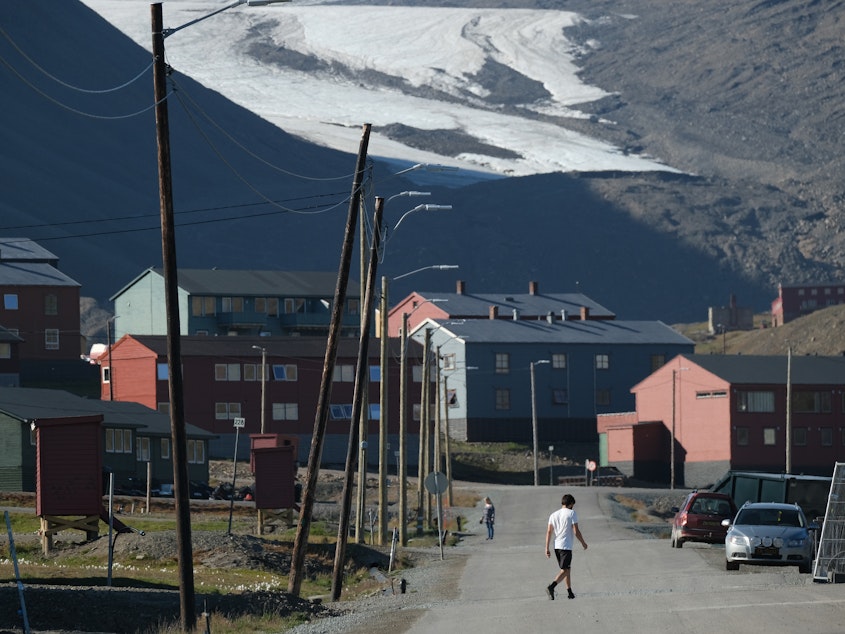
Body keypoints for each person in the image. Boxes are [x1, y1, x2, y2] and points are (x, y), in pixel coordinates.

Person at [545, 493, 587, 600]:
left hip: (556, 546)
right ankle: (552, 587)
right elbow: (576, 531)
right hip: (566, 546)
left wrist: (547, 548)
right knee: (566, 570)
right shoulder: (572, 513)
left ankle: (570, 592)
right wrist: (583, 542)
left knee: (566, 569)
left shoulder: (553, 515)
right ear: (571, 504)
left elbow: (549, 532)